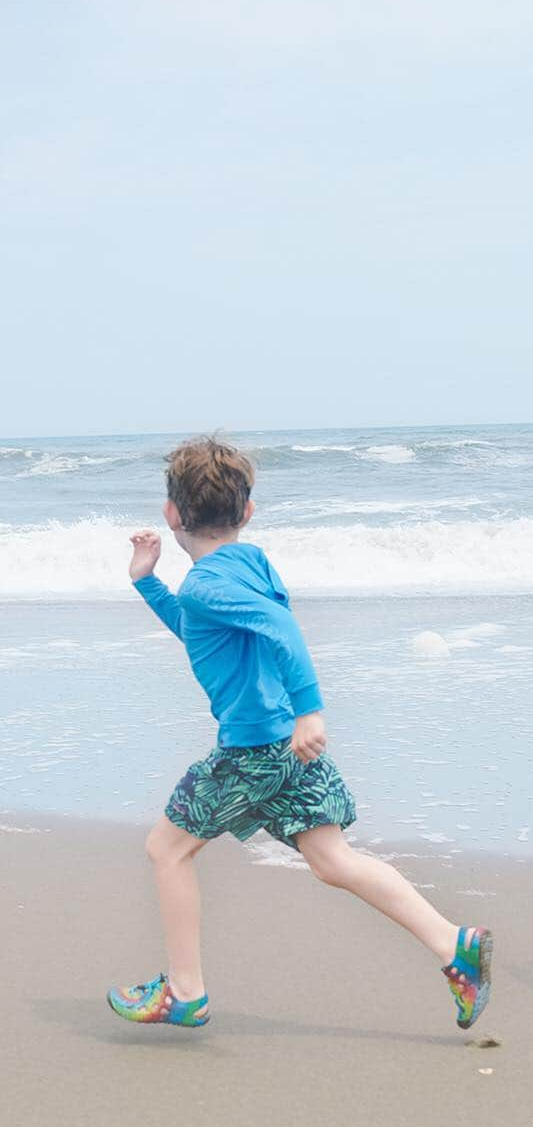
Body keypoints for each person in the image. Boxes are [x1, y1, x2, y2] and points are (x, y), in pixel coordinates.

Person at [107, 436, 492, 1029]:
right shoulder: (247, 564)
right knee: (333, 860)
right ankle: (453, 945)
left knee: (168, 849)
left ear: (172, 514)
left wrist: (312, 709)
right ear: (248, 511)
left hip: (256, 747)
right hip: (286, 742)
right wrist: (147, 581)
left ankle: (186, 992)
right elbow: (202, 631)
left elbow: (279, 627)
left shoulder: (207, 583)